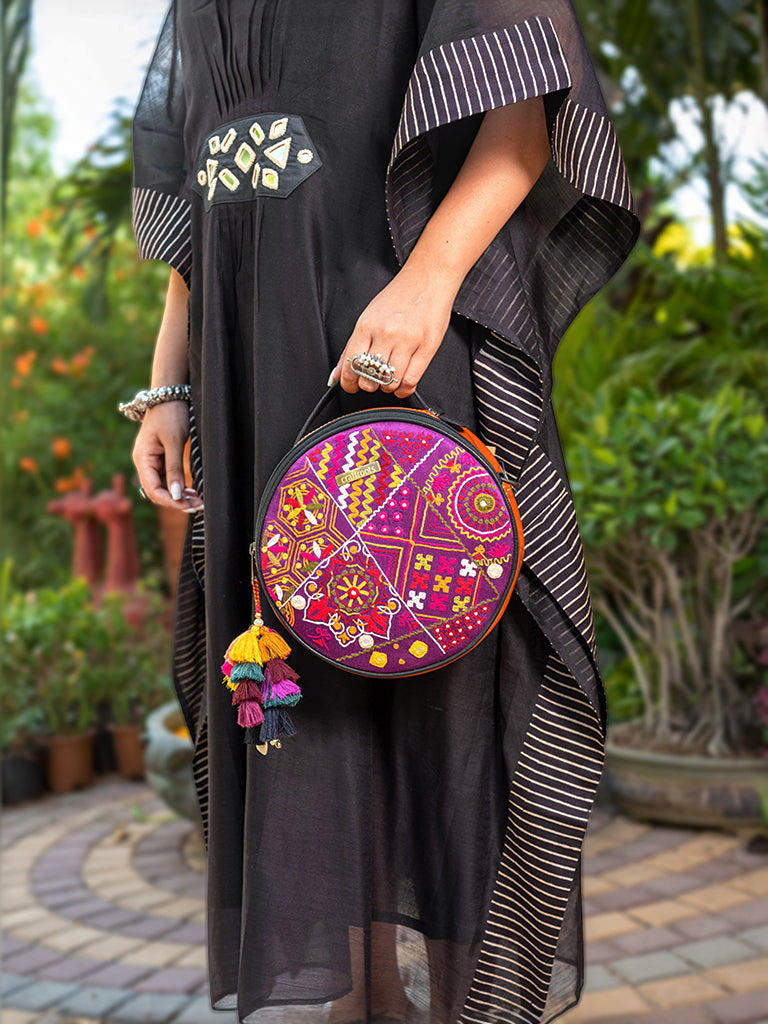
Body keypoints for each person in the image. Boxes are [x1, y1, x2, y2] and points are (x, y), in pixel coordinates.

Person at [127, 1, 638, 1021]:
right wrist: (170, 381)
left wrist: (430, 280)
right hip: (248, 361)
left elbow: (524, 107)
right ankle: (366, 1007)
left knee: (434, 680)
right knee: (298, 683)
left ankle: (463, 1005)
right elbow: (197, 170)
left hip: (388, 324)